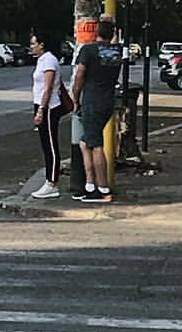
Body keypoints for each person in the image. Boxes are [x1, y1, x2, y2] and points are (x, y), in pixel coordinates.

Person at [70, 17, 122, 203]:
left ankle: (101, 188)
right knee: (85, 142)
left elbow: (80, 75)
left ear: (95, 33)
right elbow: (114, 40)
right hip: (108, 100)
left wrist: (75, 98)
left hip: (92, 101)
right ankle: (90, 185)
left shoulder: (88, 50)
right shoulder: (117, 52)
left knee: (96, 145)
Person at [30, 30, 64, 199]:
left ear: (42, 45)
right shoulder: (42, 60)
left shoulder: (49, 60)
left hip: (50, 107)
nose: (31, 47)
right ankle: (49, 181)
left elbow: (48, 88)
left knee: (51, 145)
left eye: (33, 43)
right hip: (42, 105)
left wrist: (41, 110)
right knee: (45, 145)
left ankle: (52, 183)